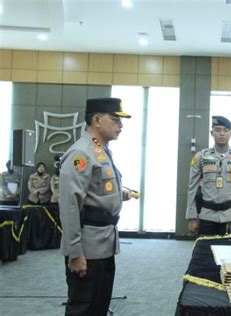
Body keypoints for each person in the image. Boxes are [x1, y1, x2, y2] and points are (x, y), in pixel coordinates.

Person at [59, 97, 134, 315]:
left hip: (103, 243)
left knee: (99, 306)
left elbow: (97, 188)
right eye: (115, 120)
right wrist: (75, 253)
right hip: (87, 247)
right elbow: (69, 205)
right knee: (83, 307)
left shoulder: (100, 149)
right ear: (97, 120)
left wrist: (120, 195)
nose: (121, 126)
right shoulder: (80, 153)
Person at [186, 116, 231, 236]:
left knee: (230, 253)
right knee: (205, 253)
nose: (222, 134)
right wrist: (192, 217)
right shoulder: (200, 157)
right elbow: (192, 188)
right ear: (212, 133)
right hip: (207, 215)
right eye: (217, 130)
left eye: (226, 130)